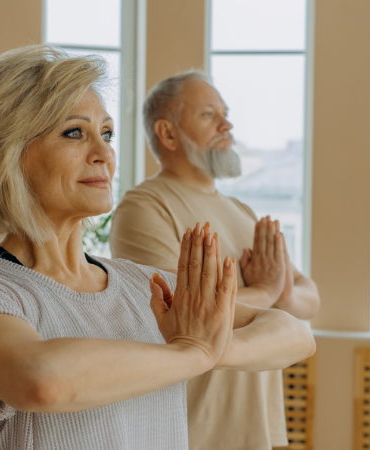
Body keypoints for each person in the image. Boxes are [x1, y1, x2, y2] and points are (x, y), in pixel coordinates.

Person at [0, 46, 315, 450]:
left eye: (108, 134)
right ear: (6, 152)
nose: (105, 154)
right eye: (75, 132)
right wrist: (193, 351)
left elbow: (295, 334)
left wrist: (210, 347)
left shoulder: (139, 284)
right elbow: (42, 380)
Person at [110, 70, 321, 450]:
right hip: (188, 430)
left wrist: (281, 294)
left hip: (257, 430)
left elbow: (309, 298)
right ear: (168, 133)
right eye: (209, 115)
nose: (227, 125)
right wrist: (266, 290)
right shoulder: (143, 207)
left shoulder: (240, 210)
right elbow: (180, 310)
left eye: (225, 113)